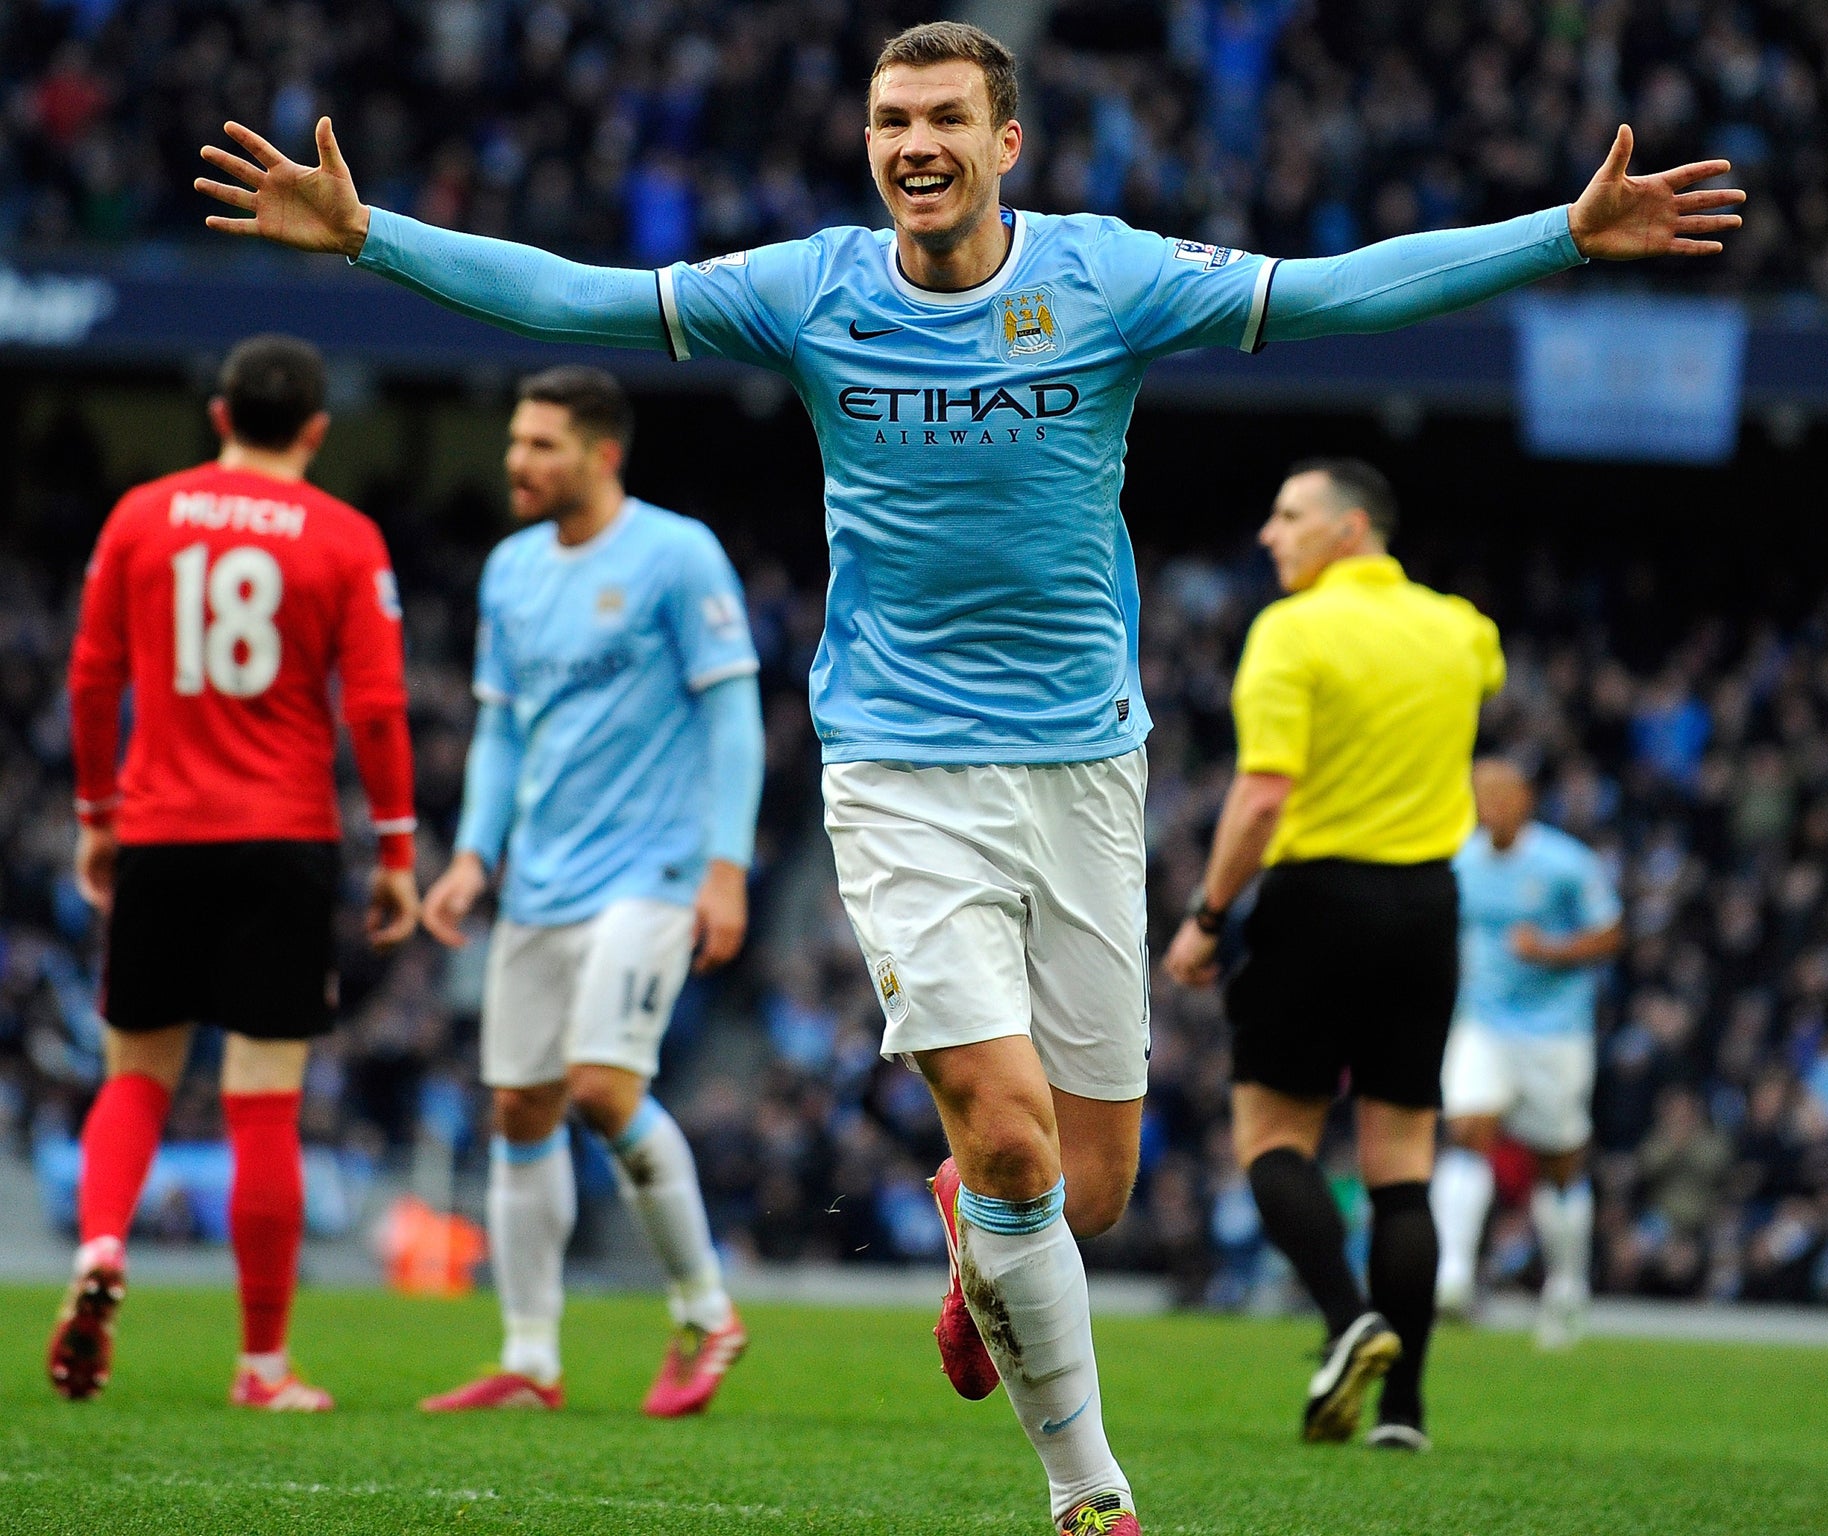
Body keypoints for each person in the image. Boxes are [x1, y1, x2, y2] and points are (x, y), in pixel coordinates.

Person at [194, 20, 1741, 1529]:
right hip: (895, 763)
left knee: (1095, 1191)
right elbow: (580, 301)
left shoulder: (1106, 275)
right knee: (1005, 1132)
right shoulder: (810, 290)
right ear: (869, 145)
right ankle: (1090, 1495)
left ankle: (978, 1243)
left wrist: (1559, 235)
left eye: (944, 121)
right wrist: (371, 236)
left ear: (1007, 145)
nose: (915, 146)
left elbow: (1336, 294)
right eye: (891, 123)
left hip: (1082, 768)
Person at [52, 334, 420, 1410]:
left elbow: (88, 676)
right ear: (315, 428)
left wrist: (94, 816)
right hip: (283, 840)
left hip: (161, 830)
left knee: (134, 1076)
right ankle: (261, 1365)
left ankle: (104, 1243)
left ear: (218, 417)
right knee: (264, 1104)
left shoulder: (141, 515)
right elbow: (379, 708)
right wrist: (395, 851)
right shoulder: (344, 538)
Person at [414, 367, 764, 1417]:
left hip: (651, 870)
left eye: (541, 446)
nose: (517, 462)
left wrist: (725, 866)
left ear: (601, 454)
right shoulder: (511, 571)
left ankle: (707, 1314)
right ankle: (530, 1358)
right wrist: (474, 854)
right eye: (515, 442)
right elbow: (503, 730)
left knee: (603, 1089)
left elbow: (732, 716)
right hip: (540, 880)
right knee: (520, 1106)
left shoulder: (675, 553)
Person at [1164, 460, 1502, 1451]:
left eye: (1288, 516)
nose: (1270, 534)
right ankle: (1404, 1413)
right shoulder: (1459, 628)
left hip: (1315, 901)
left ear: (1350, 528)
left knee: (1272, 1140)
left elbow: (1263, 793)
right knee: (1401, 1164)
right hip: (1425, 907)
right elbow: (1488, 675)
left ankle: (1345, 1317)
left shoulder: (1292, 630)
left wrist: (1206, 913)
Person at [1433, 758, 1623, 1348]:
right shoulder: (1461, 860)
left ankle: (1566, 1284)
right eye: (1477, 794)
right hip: (1482, 1024)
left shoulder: (1567, 865)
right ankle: (1454, 1273)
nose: (1486, 804)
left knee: (1559, 1163)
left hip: (1555, 1033)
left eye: (1497, 793)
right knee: (1467, 1128)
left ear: (1525, 799)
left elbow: (1611, 933)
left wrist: (1551, 952)